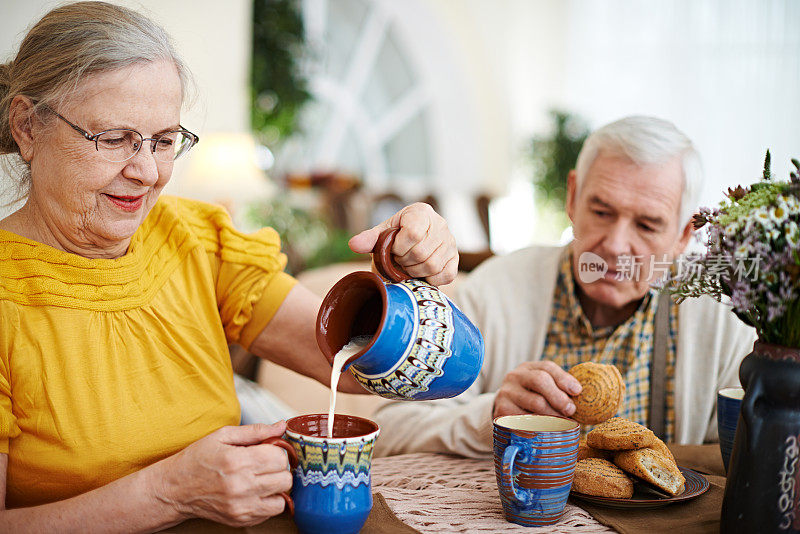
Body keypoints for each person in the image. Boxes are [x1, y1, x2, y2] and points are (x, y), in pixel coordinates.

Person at [0, 2, 458, 530]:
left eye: (165, 141)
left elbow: (360, 368)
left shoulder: (194, 240)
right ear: (27, 127)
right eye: (113, 138)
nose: (148, 171)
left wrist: (407, 272)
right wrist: (169, 493)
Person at [374, 115, 757, 458]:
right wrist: (490, 416)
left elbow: (748, 453)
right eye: (602, 212)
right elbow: (390, 428)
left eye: (646, 225)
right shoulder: (498, 289)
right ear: (573, 198)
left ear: (683, 235)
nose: (616, 245)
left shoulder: (722, 319)